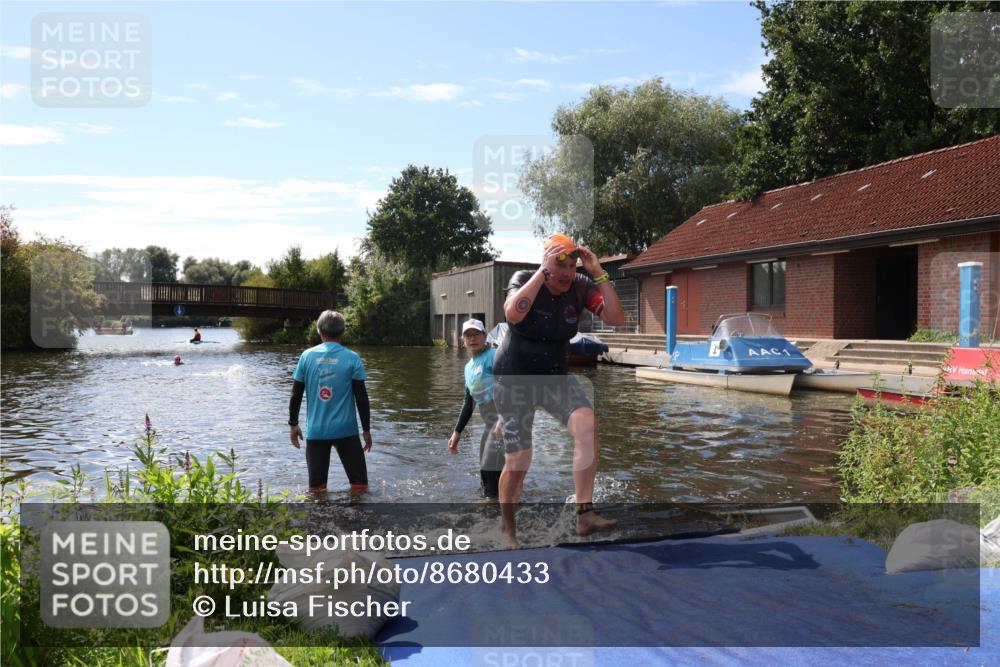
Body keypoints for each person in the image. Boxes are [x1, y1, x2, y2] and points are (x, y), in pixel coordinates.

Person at [493, 233, 626, 548]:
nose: (567, 273)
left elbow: (616, 318)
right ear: (547, 263)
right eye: (559, 265)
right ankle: (508, 530)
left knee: (588, 425)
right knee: (520, 460)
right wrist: (541, 273)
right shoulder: (525, 278)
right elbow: (512, 313)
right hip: (515, 377)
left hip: (555, 375)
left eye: (572, 265)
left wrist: (599, 273)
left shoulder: (581, 285)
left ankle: (584, 514)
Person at [288, 310, 372, 492]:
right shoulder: (352, 358)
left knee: (317, 490)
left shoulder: (307, 356)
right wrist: (366, 430)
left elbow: (296, 395)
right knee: (360, 486)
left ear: (319, 330)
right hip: (347, 431)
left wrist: (293, 425)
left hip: (316, 432)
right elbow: (362, 398)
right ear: (343, 331)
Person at [447, 318, 505, 498]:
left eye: (476, 334)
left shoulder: (494, 355)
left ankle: (491, 512)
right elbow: (468, 401)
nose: (472, 339)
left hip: (504, 422)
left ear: (485, 336)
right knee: (486, 471)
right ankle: (497, 510)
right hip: (490, 425)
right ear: (462, 340)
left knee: (490, 469)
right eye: (468, 335)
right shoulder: (468, 367)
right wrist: (457, 432)